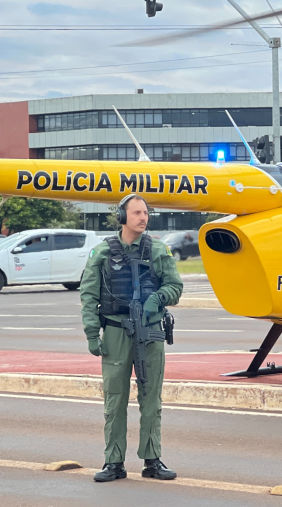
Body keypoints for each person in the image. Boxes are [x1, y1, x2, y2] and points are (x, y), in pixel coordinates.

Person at [80, 194, 183, 483]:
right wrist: (92, 333)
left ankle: (152, 460)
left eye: (146, 213)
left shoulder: (158, 250)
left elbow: (175, 286)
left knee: (151, 398)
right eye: (137, 213)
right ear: (122, 217)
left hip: (150, 332)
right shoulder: (102, 252)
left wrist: (158, 298)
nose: (143, 218)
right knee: (115, 399)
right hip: (115, 331)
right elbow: (88, 295)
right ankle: (114, 462)